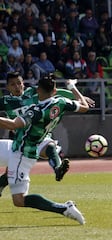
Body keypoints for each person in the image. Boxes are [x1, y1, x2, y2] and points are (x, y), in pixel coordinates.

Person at [0, 74, 88, 224]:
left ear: (38, 91)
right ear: (54, 91)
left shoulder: (36, 111)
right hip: (28, 147)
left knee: (19, 200)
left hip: (22, 151)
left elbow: (14, 125)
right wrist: (72, 87)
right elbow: (84, 107)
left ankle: (64, 208)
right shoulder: (61, 102)